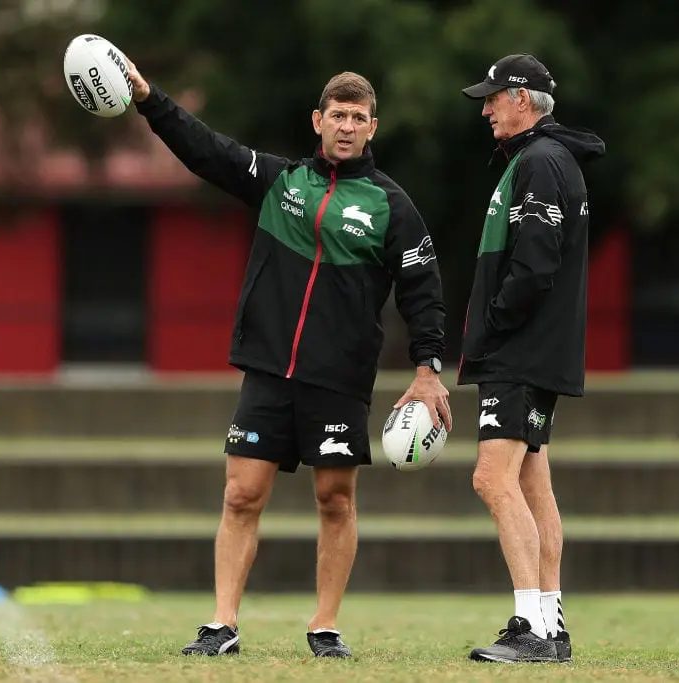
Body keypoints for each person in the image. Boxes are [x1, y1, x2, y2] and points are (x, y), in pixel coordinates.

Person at [123, 60, 453, 658]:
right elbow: (206, 150)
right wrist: (149, 98)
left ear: (372, 127)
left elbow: (423, 292)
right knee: (241, 495)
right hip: (270, 367)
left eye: (358, 118)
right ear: (317, 121)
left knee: (336, 499)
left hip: (339, 376)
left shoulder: (392, 206)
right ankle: (222, 624)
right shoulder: (281, 182)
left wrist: (428, 370)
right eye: (338, 116)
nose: (347, 127)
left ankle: (324, 626)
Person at [457, 54, 605, 664]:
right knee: (531, 484)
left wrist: (492, 328)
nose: (486, 107)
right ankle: (552, 621)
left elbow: (535, 264)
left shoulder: (541, 162)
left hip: (521, 350)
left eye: (493, 97)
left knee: (491, 478)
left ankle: (531, 629)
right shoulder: (547, 158)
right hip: (537, 350)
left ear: (523, 98)